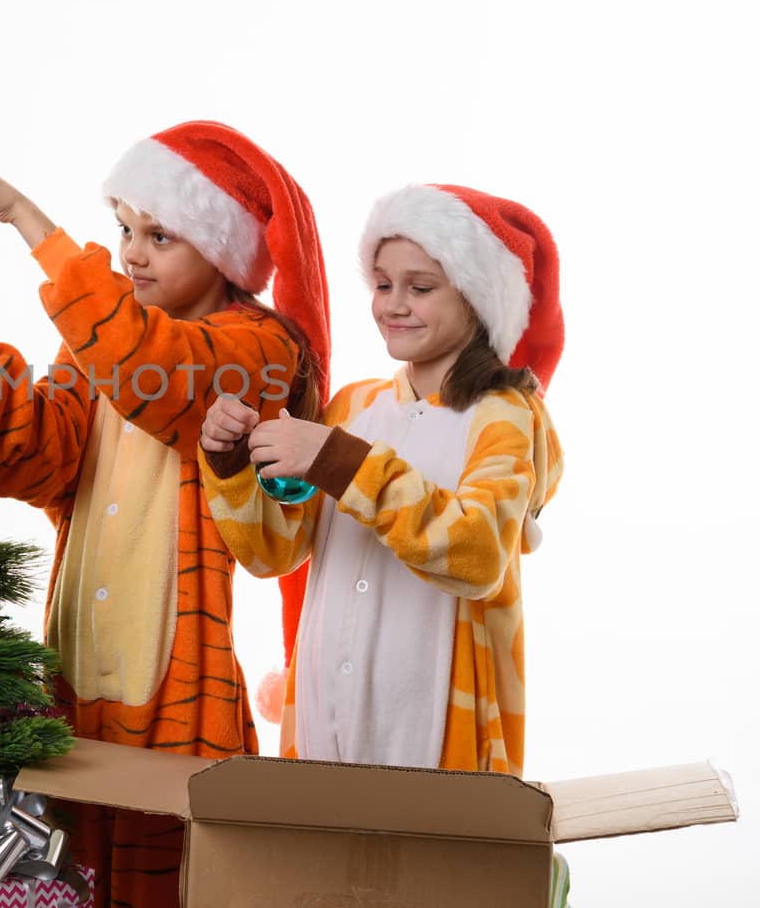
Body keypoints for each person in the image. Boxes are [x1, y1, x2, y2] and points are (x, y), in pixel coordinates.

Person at [0, 121, 329, 908]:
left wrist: (22, 213)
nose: (132, 252)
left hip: (176, 700)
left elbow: (153, 371)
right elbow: (40, 452)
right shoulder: (104, 335)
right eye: (125, 228)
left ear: (224, 250)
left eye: (161, 235)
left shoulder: (257, 347)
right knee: (64, 886)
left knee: (170, 886)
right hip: (73, 683)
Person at [199, 183, 562, 775]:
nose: (394, 304)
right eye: (383, 284)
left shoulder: (504, 416)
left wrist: (341, 461)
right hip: (323, 721)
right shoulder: (353, 405)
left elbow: (477, 555)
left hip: (436, 735)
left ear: (475, 296)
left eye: (420, 287)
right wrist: (233, 466)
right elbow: (276, 552)